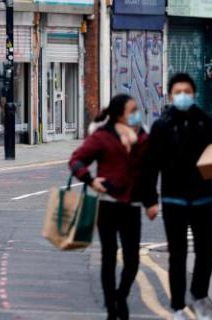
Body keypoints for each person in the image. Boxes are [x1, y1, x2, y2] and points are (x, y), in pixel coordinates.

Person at [140, 73, 212, 320]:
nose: (183, 96)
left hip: (202, 198)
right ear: (170, 96)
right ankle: (178, 306)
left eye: (187, 92)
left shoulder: (207, 123)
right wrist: (150, 201)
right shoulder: (162, 126)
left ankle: (199, 297)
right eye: (178, 92)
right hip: (173, 200)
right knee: (177, 255)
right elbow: (151, 166)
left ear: (194, 94)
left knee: (206, 252)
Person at [69, 94, 149, 320]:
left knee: (132, 260)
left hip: (132, 204)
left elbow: (151, 165)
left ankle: (120, 296)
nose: (136, 114)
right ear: (118, 114)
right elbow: (76, 160)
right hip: (108, 205)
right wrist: (90, 180)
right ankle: (112, 309)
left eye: (136, 110)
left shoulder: (142, 135)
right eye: (131, 110)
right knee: (109, 256)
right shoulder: (102, 136)